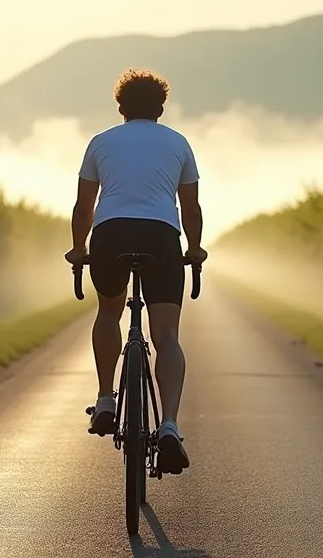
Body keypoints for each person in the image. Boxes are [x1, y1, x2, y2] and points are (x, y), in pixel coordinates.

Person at [64, 68, 207, 476]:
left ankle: (107, 398)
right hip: (161, 237)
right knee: (166, 336)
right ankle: (169, 426)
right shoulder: (178, 143)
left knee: (109, 313)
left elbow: (83, 207)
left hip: (110, 234)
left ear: (120, 107)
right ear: (161, 108)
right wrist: (193, 248)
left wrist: (78, 248)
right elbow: (191, 208)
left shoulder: (101, 142)